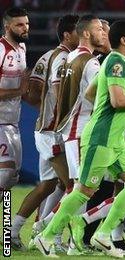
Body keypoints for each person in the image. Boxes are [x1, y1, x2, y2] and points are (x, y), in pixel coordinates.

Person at [34, 20, 125, 258]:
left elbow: (91, 92)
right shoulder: (117, 63)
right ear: (124, 40)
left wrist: (118, 112)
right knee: (84, 191)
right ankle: (46, 236)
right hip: (100, 137)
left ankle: (102, 235)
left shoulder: (114, 62)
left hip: (117, 139)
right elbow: (118, 101)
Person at [9, 14, 79, 252]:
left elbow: (35, 92)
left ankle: (14, 231)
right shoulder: (60, 58)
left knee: (49, 185)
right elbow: (35, 93)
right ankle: (49, 234)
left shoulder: (55, 57)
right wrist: (52, 115)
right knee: (73, 186)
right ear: (68, 34)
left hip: (50, 130)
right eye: (79, 31)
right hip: (53, 132)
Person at [0, 7, 29, 190]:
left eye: (27, 24)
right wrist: (20, 90)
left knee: (12, 179)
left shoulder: (22, 48)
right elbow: (20, 89)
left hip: (13, 122)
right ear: (7, 26)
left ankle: (6, 219)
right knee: (5, 171)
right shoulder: (1, 49)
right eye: (19, 24)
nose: (25, 28)